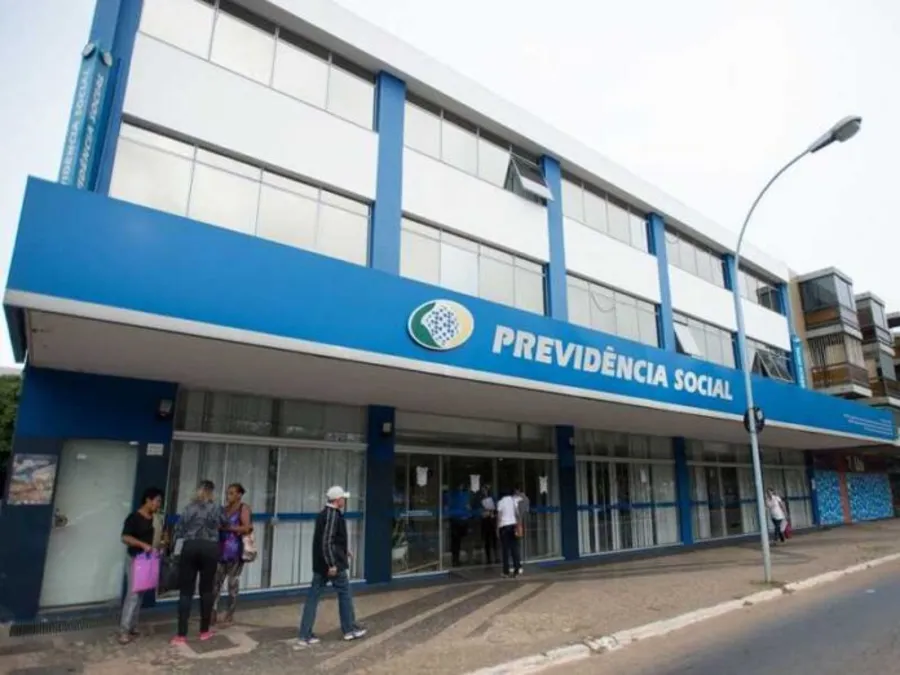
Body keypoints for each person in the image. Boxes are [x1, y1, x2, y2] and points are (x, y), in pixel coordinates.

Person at [296, 486, 367, 647]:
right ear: (337, 500)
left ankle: (305, 634)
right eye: (343, 498)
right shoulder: (333, 515)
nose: (344, 501)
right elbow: (327, 541)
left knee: (313, 597)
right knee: (345, 594)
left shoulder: (324, 514)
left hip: (322, 565)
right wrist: (332, 564)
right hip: (331, 565)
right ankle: (349, 629)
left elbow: (331, 539)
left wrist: (344, 550)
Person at [171, 480, 229, 645]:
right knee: (206, 589)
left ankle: (181, 634)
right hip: (210, 548)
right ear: (212, 492)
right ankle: (204, 631)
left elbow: (179, 529)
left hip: (190, 546)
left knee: (186, 591)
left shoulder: (189, 508)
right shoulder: (216, 508)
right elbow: (226, 523)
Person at [118, 486, 164, 644]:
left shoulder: (156, 519)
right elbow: (125, 537)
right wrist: (142, 545)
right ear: (148, 500)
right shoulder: (134, 518)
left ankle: (133, 625)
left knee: (141, 594)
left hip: (149, 560)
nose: (159, 505)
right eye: (157, 501)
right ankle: (124, 630)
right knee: (133, 594)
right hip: (135, 559)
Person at [212, 483, 253, 627]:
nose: (228, 496)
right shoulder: (224, 509)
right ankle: (212, 612)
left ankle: (229, 613)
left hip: (235, 551)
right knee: (215, 583)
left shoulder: (243, 508)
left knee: (232, 584)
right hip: (220, 550)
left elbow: (247, 527)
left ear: (239, 495)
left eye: (231, 493)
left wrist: (229, 528)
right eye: (227, 493)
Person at [496, 486, 522, 579]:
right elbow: (517, 514)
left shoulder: (500, 502)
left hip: (504, 527)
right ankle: (516, 570)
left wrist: (497, 529)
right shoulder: (513, 500)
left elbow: (499, 516)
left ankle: (506, 572)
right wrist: (518, 526)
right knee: (515, 549)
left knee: (505, 551)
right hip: (513, 526)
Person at [447, 482, 471, 567]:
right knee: (457, 542)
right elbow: (467, 507)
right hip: (458, 521)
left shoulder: (454, 495)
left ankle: (456, 560)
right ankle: (456, 560)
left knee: (456, 542)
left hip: (458, 521)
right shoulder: (459, 496)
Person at [478, 484, 497, 565]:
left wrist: (492, 512)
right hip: (485, 521)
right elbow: (479, 510)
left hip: (491, 521)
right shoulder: (480, 499)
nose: (484, 492)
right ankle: (488, 558)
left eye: (485, 490)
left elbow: (495, 509)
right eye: (483, 490)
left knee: (494, 539)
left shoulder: (492, 498)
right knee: (487, 540)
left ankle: (496, 557)